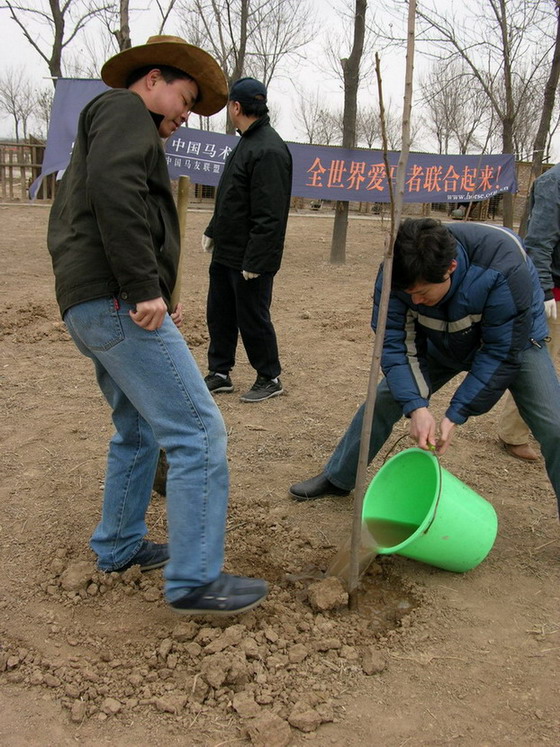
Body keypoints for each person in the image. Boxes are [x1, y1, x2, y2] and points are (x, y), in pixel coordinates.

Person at [47, 35, 268, 616]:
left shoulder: (117, 124)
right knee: (198, 433)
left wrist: (157, 290)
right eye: (185, 99)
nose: (186, 116)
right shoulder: (122, 109)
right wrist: (144, 288)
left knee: (140, 430)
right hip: (118, 300)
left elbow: (113, 201)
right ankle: (195, 582)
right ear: (151, 81)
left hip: (94, 304)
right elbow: (114, 190)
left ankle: (118, 545)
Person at [289, 218, 560, 517]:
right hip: (441, 339)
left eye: (422, 293)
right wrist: (417, 407)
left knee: (555, 427)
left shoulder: (504, 265)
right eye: (409, 295)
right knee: (384, 399)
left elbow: (499, 353)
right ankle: (339, 477)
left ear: (450, 269)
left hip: (513, 342)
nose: (415, 301)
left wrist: (455, 415)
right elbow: (394, 342)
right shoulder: (396, 269)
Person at [202, 77, 293, 403]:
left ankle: (269, 376)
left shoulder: (268, 149)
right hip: (227, 251)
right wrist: (214, 229)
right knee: (220, 312)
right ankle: (220, 372)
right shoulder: (246, 142)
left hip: (249, 258)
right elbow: (232, 196)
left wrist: (258, 261)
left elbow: (271, 215)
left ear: (236, 107)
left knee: (252, 316)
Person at [498, 163, 560, 462]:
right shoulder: (554, 182)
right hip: (553, 292)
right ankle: (513, 434)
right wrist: (545, 291)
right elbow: (539, 240)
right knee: (539, 360)